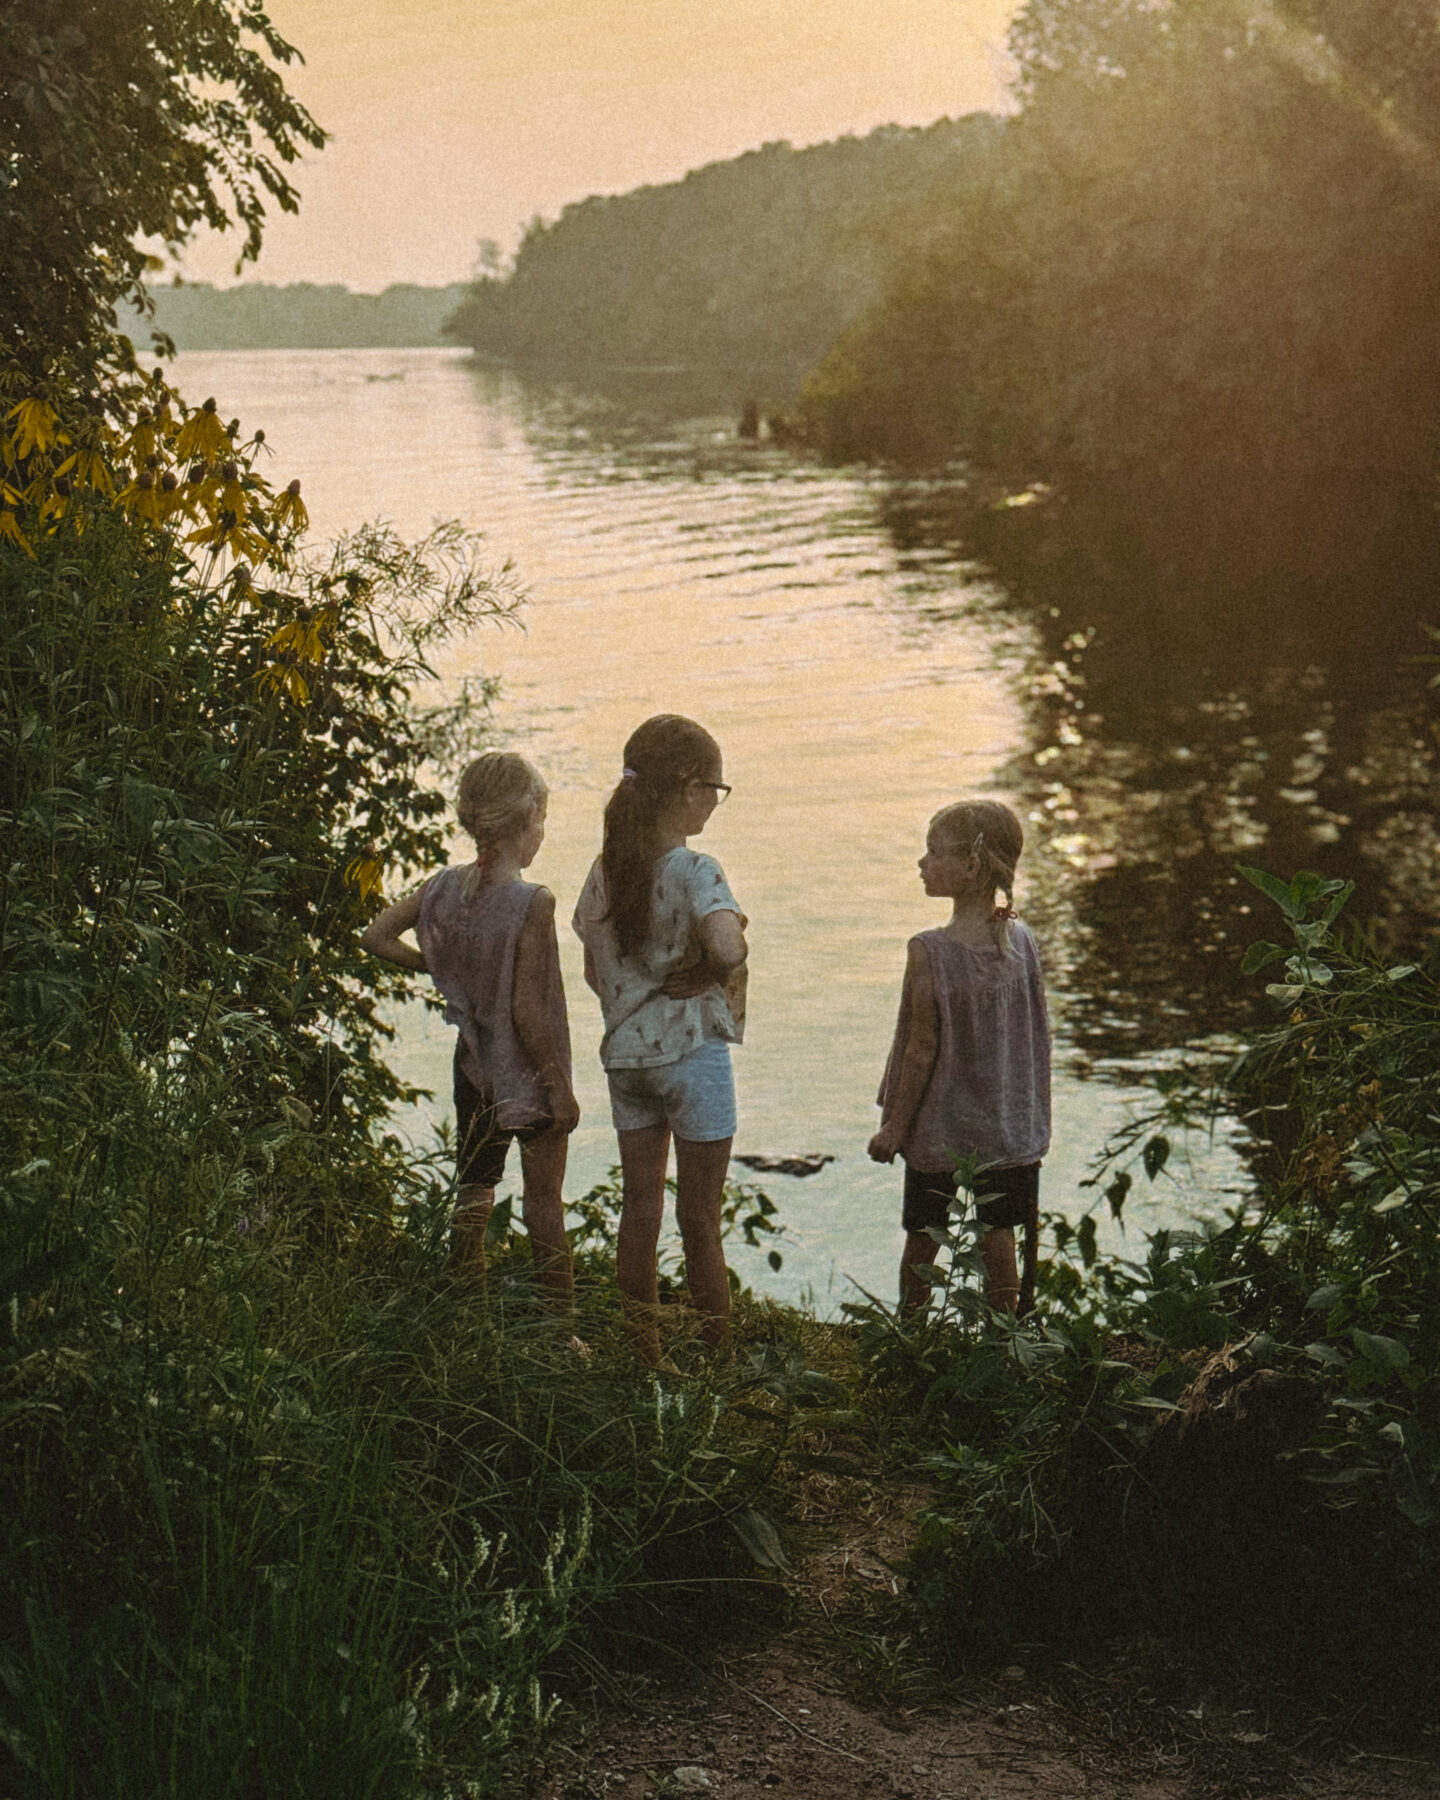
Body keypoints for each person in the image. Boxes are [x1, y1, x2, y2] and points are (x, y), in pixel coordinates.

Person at [360, 752, 580, 1300]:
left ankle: (465, 1311)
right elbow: (529, 1010)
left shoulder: (443, 888)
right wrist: (558, 1087)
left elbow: (376, 936)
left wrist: (437, 967)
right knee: (543, 1203)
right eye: (541, 823)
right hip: (526, 1074)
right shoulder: (532, 901)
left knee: (475, 1190)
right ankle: (562, 1331)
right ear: (527, 821)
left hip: (472, 1066)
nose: (542, 834)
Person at [573, 715, 747, 1364]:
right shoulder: (696, 869)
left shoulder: (605, 869)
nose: (714, 800)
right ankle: (719, 1355)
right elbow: (728, 947)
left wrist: (630, 1005)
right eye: (715, 788)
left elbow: (594, 967)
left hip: (626, 1059)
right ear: (685, 788)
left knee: (639, 1207)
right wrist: (709, 966)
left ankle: (644, 1353)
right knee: (700, 1217)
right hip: (692, 1059)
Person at [868, 799, 1051, 1316]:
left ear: (970, 867)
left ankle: (912, 1337)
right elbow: (1035, 1038)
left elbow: (921, 1050)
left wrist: (894, 1128)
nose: (921, 862)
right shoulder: (1024, 942)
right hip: (1005, 1130)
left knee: (925, 1235)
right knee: (999, 1236)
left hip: (941, 1131)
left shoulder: (930, 951)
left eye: (933, 852)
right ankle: (1001, 1346)